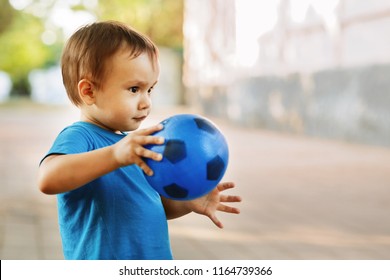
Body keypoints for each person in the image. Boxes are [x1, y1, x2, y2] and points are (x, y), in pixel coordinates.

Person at [38, 21, 241, 260]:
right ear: (89, 91)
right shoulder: (81, 137)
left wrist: (186, 202)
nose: (146, 102)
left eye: (150, 89)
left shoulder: (132, 146)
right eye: (134, 89)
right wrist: (115, 155)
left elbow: (146, 206)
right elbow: (48, 178)